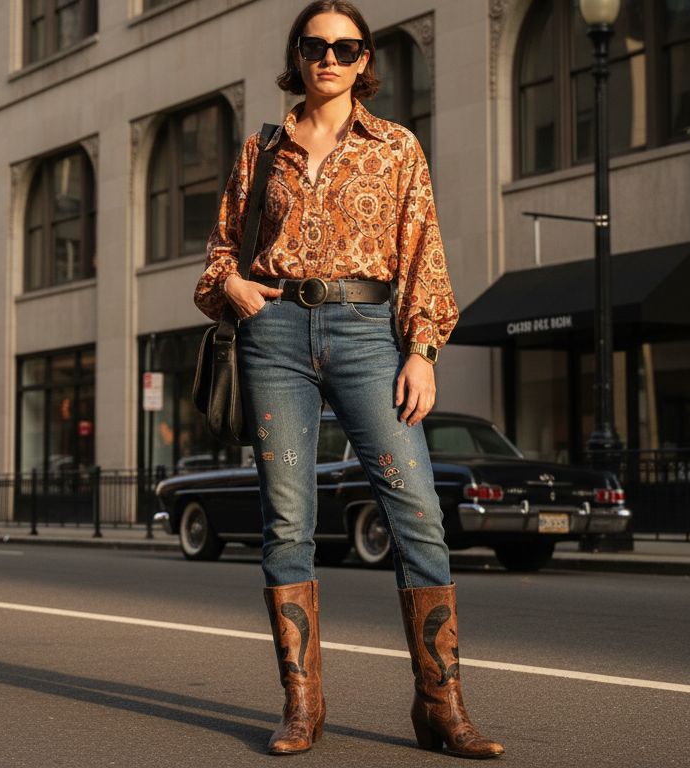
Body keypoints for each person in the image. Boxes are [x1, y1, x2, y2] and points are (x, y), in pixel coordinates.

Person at [193, 1, 503, 759]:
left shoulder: (397, 147)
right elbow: (218, 254)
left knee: (418, 513)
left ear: (366, 61)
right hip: (275, 337)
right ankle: (303, 707)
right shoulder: (262, 148)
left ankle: (440, 707)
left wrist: (422, 350)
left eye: (345, 46)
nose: (329, 57)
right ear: (297, 57)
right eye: (315, 45)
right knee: (287, 523)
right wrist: (230, 286)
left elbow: (423, 250)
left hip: (369, 336)